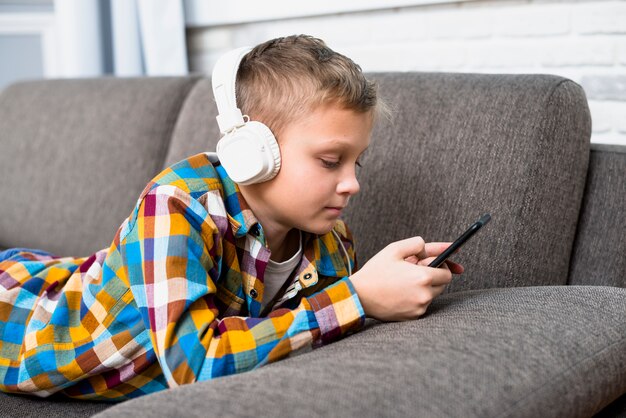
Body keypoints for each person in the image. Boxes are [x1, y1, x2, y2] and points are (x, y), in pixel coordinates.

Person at [0, 34, 462, 402]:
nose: (352, 184)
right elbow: (193, 368)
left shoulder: (332, 242)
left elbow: (308, 340)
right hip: (21, 316)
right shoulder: (177, 205)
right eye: (329, 161)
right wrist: (359, 297)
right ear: (251, 154)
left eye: (355, 162)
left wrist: (388, 289)